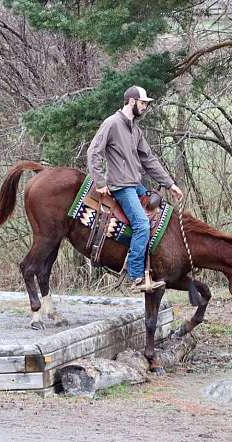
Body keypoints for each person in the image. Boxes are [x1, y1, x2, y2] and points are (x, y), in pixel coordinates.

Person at [87, 85, 184, 292]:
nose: (145, 107)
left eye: (146, 104)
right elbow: (93, 152)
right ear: (132, 101)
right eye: (143, 103)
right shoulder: (111, 124)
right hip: (121, 187)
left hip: (135, 185)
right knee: (141, 224)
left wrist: (170, 184)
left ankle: (155, 269)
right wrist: (101, 183)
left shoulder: (135, 130)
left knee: (160, 213)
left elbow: (149, 159)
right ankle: (137, 275)